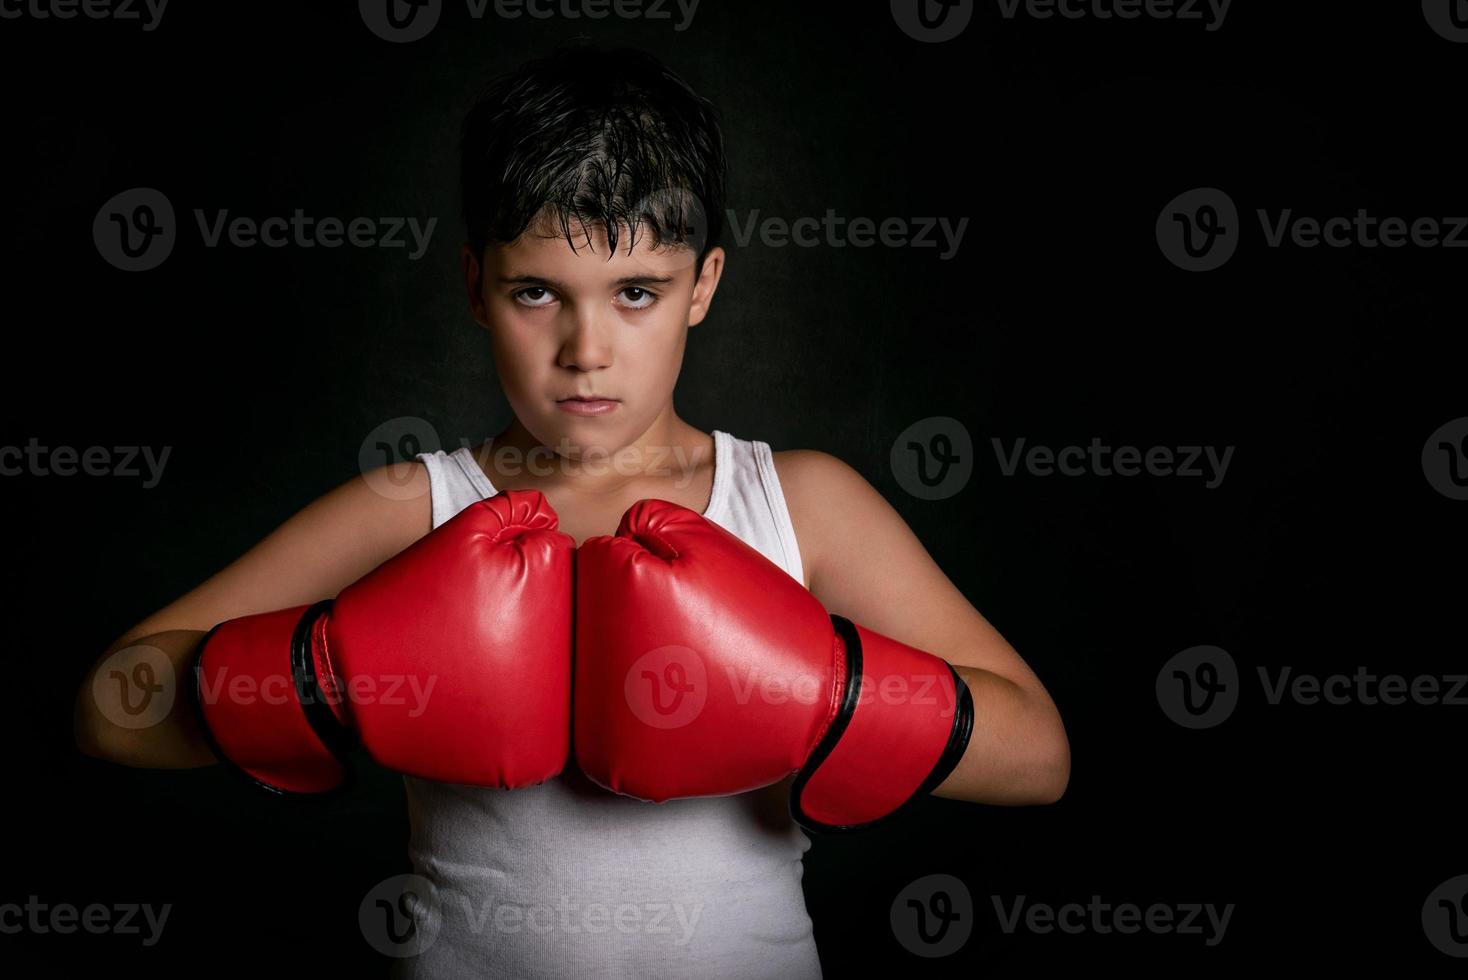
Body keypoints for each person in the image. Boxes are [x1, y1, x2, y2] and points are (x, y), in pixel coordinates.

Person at [72, 42, 1069, 978]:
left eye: (636, 289)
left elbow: (1038, 754)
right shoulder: (419, 505)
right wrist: (330, 677)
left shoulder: (797, 501)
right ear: (474, 284)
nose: (585, 348)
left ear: (703, 285)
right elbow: (111, 706)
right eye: (538, 293)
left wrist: (824, 694)